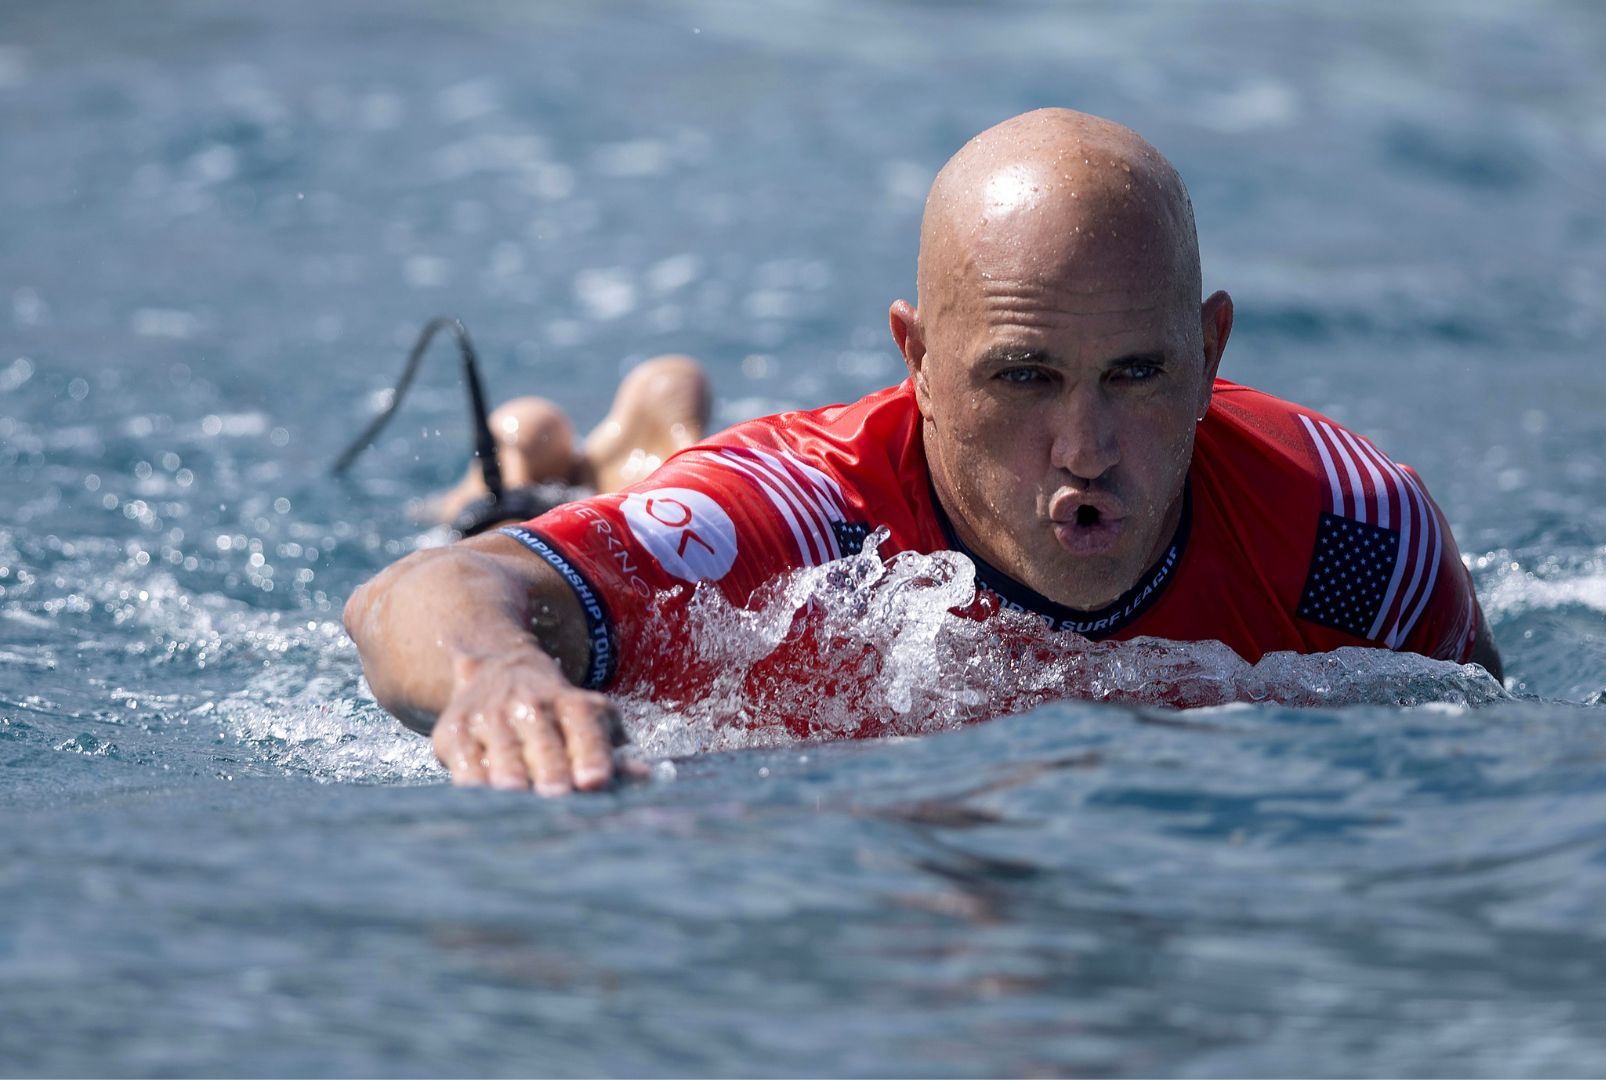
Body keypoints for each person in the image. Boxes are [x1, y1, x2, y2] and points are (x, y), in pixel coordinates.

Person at [345, 108, 1502, 796]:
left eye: (1137, 376)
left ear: (1209, 353)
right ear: (920, 365)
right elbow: (417, 597)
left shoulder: (1351, 538)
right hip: (699, 531)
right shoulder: (807, 520)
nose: (1086, 448)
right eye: (1023, 377)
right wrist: (498, 676)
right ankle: (616, 452)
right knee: (520, 529)